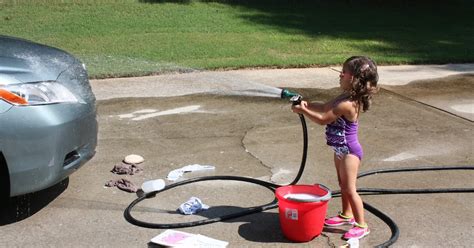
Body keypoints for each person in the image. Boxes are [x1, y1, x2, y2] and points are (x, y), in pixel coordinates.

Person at [291, 56, 379, 240]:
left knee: (349, 188)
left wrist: (303, 111)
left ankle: (362, 225)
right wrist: (307, 103)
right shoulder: (344, 97)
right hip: (340, 149)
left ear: (354, 79)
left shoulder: (348, 103)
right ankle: (346, 214)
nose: (340, 74)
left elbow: (323, 119)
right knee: (342, 185)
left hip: (350, 151)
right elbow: (323, 106)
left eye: (344, 72)